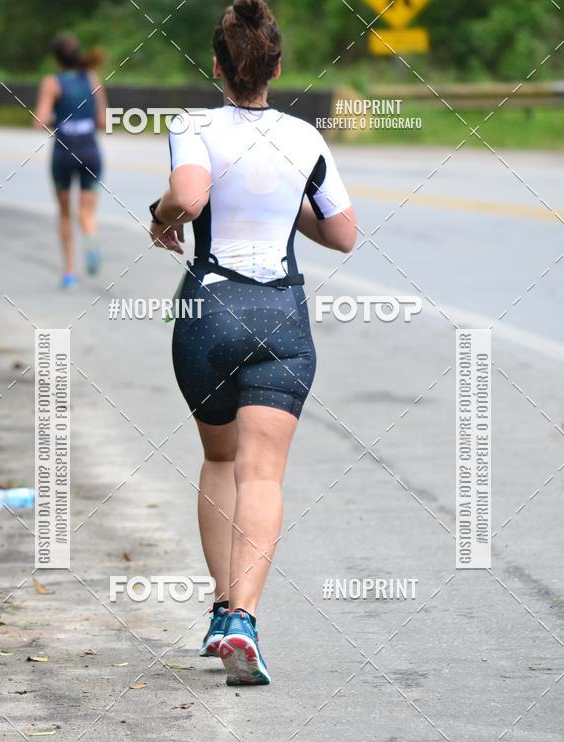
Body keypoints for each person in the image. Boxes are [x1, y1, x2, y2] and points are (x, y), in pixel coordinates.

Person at [150, 0, 356, 685]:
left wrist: (162, 215)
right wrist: (284, 202)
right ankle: (244, 618)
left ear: (217, 66)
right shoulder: (305, 138)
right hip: (281, 319)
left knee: (219, 462)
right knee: (262, 475)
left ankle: (217, 609)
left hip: (209, 313)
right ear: (277, 67)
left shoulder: (193, 125)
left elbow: (190, 194)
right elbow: (343, 234)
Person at [34, 34, 107, 287]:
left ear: (56, 58)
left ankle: (69, 272)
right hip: (90, 151)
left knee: (65, 213)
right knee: (86, 212)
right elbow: (103, 121)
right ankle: (91, 235)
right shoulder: (92, 79)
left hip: (64, 153)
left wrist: (59, 120)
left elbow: (39, 121)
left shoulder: (52, 83)